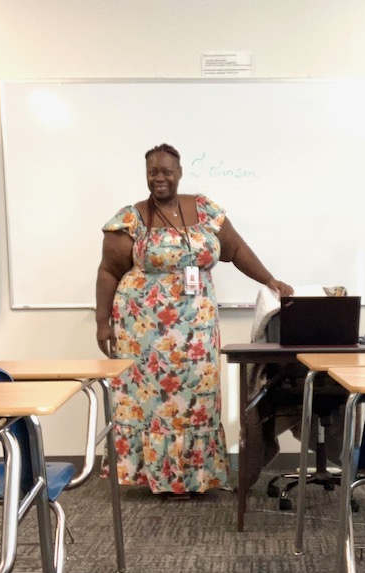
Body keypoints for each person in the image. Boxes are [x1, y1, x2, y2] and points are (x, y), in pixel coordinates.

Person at [96, 143, 293, 497]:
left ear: (180, 173)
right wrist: (102, 321)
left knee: (197, 400)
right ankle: (158, 478)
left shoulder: (204, 210)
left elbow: (236, 250)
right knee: (151, 404)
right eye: (153, 172)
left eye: (167, 171)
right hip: (143, 332)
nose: (160, 178)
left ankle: (195, 476)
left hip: (196, 330)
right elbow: (109, 271)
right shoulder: (131, 218)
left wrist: (269, 279)